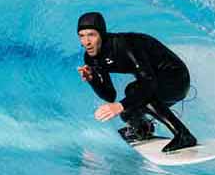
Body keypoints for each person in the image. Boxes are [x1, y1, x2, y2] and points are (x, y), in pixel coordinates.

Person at [76, 12, 197, 153]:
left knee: (134, 92)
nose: (86, 42)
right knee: (127, 113)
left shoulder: (125, 45)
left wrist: (120, 105)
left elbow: (149, 83)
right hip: (153, 81)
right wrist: (93, 80)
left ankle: (183, 135)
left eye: (91, 35)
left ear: (102, 34)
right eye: (82, 36)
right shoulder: (92, 57)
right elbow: (110, 95)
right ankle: (143, 129)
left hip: (177, 79)